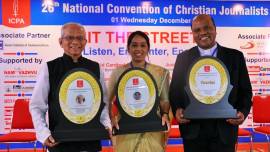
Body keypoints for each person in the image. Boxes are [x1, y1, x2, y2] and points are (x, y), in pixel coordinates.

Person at [169, 14, 252, 152]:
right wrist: (177, 109)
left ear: (215, 29)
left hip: (225, 129)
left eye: (207, 28)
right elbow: (175, 91)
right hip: (193, 130)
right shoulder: (182, 58)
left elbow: (246, 91)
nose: (202, 33)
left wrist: (242, 112)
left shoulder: (235, 57)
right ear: (193, 34)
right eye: (197, 30)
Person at [29, 22, 112, 152]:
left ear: (85, 42)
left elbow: (103, 103)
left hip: (90, 141)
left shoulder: (95, 68)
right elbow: (37, 105)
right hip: (61, 142)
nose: (75, 42)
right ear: (60, 42)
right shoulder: (50, 68)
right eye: (69, 38)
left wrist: (106, 124)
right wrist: (43, 133)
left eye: (79, 38)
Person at [108, 31, 170, 152]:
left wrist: (166, 114)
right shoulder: (118, 72)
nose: (138, 49)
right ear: (128, 48)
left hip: (153, 130)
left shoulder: (160, 73)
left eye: (143, 45)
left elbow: (165, 100)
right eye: (134, 45)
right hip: (126, 129)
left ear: (148, 48)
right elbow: (107, 101)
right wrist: (112, 119)